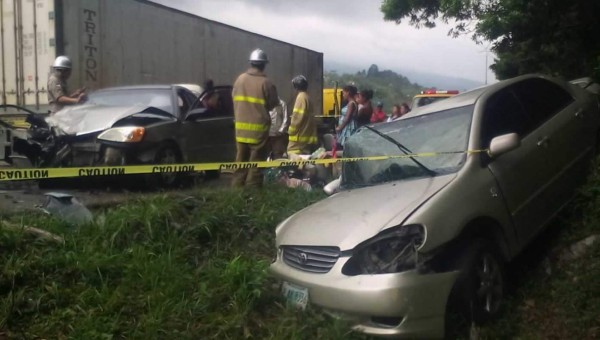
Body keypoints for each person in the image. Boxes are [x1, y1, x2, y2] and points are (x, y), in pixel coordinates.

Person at [231, 48, 279, 188]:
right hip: (258, 134)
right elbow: (273, 104)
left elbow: (234, 98)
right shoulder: (266, 83)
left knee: (240, 167)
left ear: (251, 63)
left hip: (240, 132)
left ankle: (236, 196)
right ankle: (252, 199)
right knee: (256, 168)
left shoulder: (240, 79)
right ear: (264, 64)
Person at [287, 75, 318, 155]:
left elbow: (297, 117)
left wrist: (291, 130)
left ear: (296, 86)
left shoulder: (301, 97)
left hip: (298, 137)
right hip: (305, 135)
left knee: (293, 154)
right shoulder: (307, 97)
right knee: (304, 157)